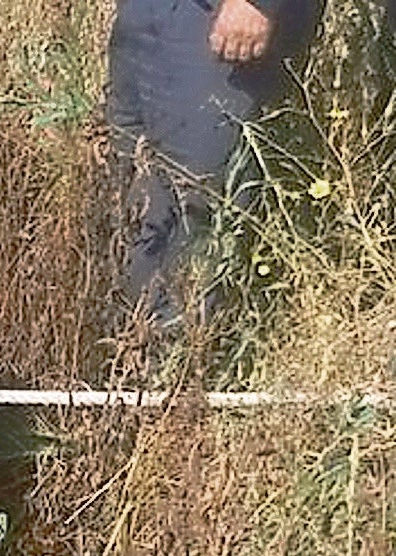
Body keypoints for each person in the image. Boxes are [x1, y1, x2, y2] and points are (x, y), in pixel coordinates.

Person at [107, 0, 322, 338]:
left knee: (199, 213)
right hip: (146, 15)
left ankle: (187, 375)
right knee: (137, 210)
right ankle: (136, 373)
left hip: (218, 19)